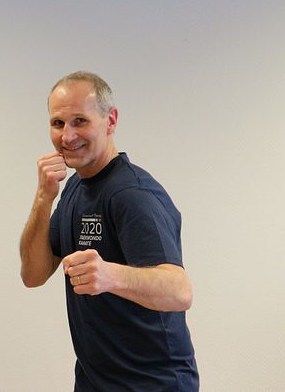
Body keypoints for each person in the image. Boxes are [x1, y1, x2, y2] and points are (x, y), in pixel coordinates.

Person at [19, 71, 199, 391]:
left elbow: (179, 291)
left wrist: (110, 276)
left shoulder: (132, 193)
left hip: (152, 384)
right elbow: (33, 274)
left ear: (110, 121)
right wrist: (44, 197)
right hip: (95, 382)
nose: (67, 135)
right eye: (58, 124)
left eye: (80, 121)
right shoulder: (75, 188)